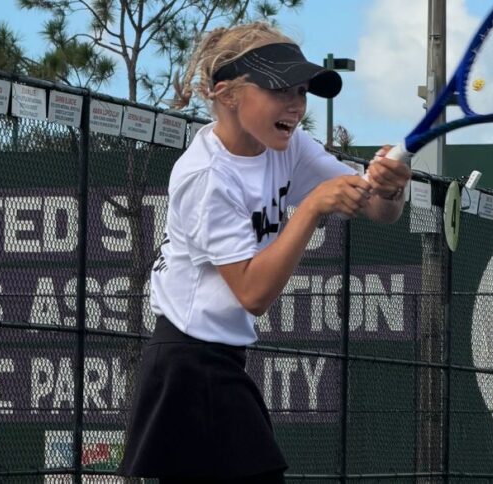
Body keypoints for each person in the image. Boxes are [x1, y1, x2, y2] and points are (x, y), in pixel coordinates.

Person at [118, 21, 411, 484]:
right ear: (227, 94)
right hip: (187, 363)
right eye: (279, 90)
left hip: (218, 361)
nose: (296, 105)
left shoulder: (289, 149)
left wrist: (390, 189)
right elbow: (252, 292)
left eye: (301, 91)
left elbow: (375, 206)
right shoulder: (206, 176)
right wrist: (313, 207)